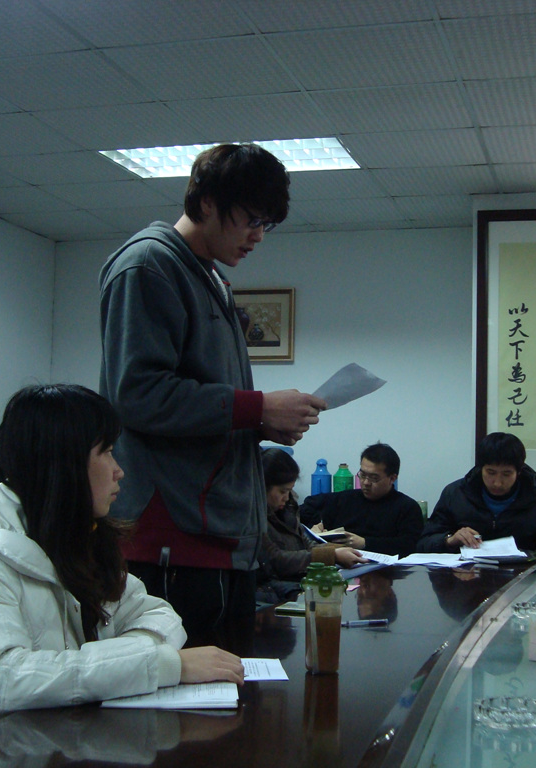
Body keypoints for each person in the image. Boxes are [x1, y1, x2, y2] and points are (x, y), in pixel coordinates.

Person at [0, 384, 244, 743]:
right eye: (107, 452)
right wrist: (162, 665)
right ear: (64, 462)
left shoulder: (74, 538)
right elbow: (5, 678)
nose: (119, 471)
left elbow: (155, 613)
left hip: (57, 736)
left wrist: (130, 660)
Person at [98, 143, 326, 643]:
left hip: (222, 538)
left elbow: (202, 404)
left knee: (230, 681)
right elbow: (137, 395)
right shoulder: (149, 266)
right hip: (172, 541)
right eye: (250, 219)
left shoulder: (211, 279)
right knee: (183, 688)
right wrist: (258, 408)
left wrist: (261, 421)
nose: (258, 236)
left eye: (267, 224)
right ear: (206, 203)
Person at [418, 432, 536, 554]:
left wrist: (527, 556)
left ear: (519, 472)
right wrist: (449, 540)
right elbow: (423, 543)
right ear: (480, 468)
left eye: (506, 474)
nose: (497, 482)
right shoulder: (455, 494)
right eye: (490, 473)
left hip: (521, 578)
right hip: (464, 577)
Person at [256, 448, 366, 604]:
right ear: (262, 487)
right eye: (282, 491)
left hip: (297, 579)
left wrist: (336, 551)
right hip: (271, 586)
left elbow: (306, 543)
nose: (286, 497)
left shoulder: (287, 508)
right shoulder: (253, 518)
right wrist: (333, 555)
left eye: (290, 490)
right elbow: (276, 560)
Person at [300, 443, 424, 557]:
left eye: (374, 478)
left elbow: (408, 545)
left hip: (386, 569)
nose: (365, 482)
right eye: (363, 475)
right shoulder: (344, 499)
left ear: (392, 478)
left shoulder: (407, 507)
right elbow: (305, 509)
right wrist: (314, 529)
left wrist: (364, 543)